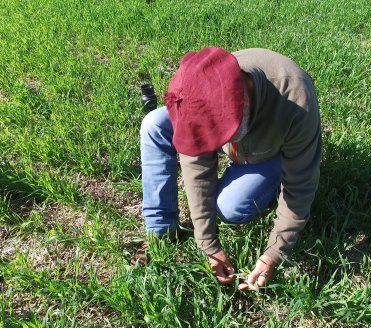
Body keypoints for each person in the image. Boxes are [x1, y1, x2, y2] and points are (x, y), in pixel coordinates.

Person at [137, 47, 322, 291]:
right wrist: (208, 244)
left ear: (245, 95)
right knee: (154, 124)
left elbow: (300, 188)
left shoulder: (297, 100)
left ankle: (273, 167)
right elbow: (197, 169)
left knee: (230, 207)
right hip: (240, 146)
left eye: (221, 133)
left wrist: (274, 253)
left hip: (271, 154)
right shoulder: (204, 85)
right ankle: (160, 230)